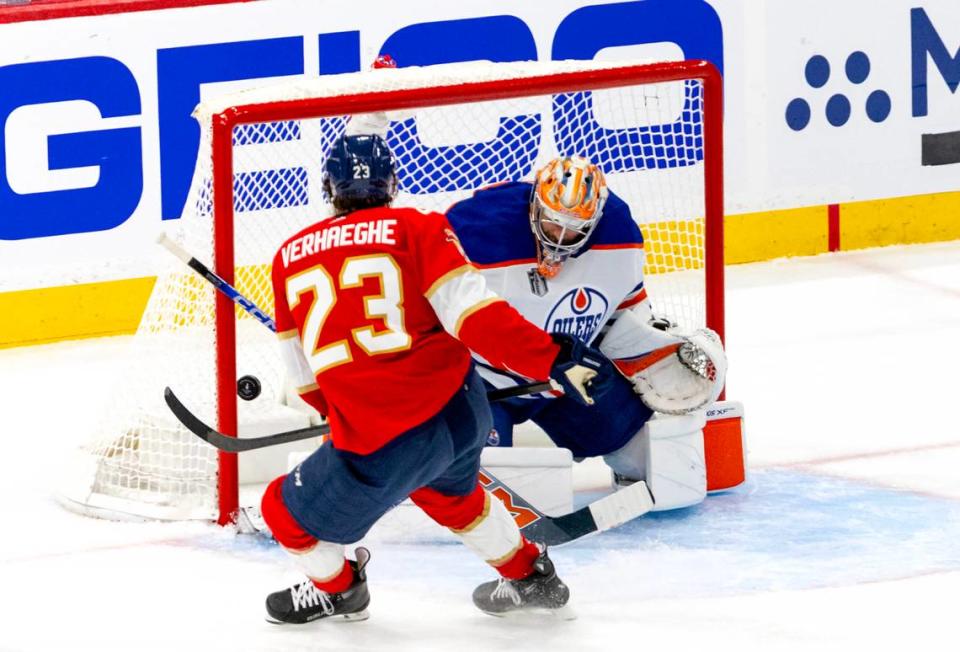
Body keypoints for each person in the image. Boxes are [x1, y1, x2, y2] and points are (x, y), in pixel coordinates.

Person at [260, 133, 614, 624]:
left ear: (328, 186)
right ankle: (531, 576)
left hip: (385, 440)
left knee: (280, 510)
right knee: (448, 492)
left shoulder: (287, 258)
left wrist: (340, 414)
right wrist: (551, 356)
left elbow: (304, 382)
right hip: (463, 411)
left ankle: (342, 591)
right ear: (393, 182)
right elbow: (474, 318)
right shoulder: (418, 227)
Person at [445, 156, 726, 489]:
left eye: (575, 226)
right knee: (480, 485)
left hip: (569, 380)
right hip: (483, 386)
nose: (561, 235)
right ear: (535, 206)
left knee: (651, 461)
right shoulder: (477, 227)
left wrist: (648, 347)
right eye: (553, 222)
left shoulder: (619, 235)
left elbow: (622, 314)